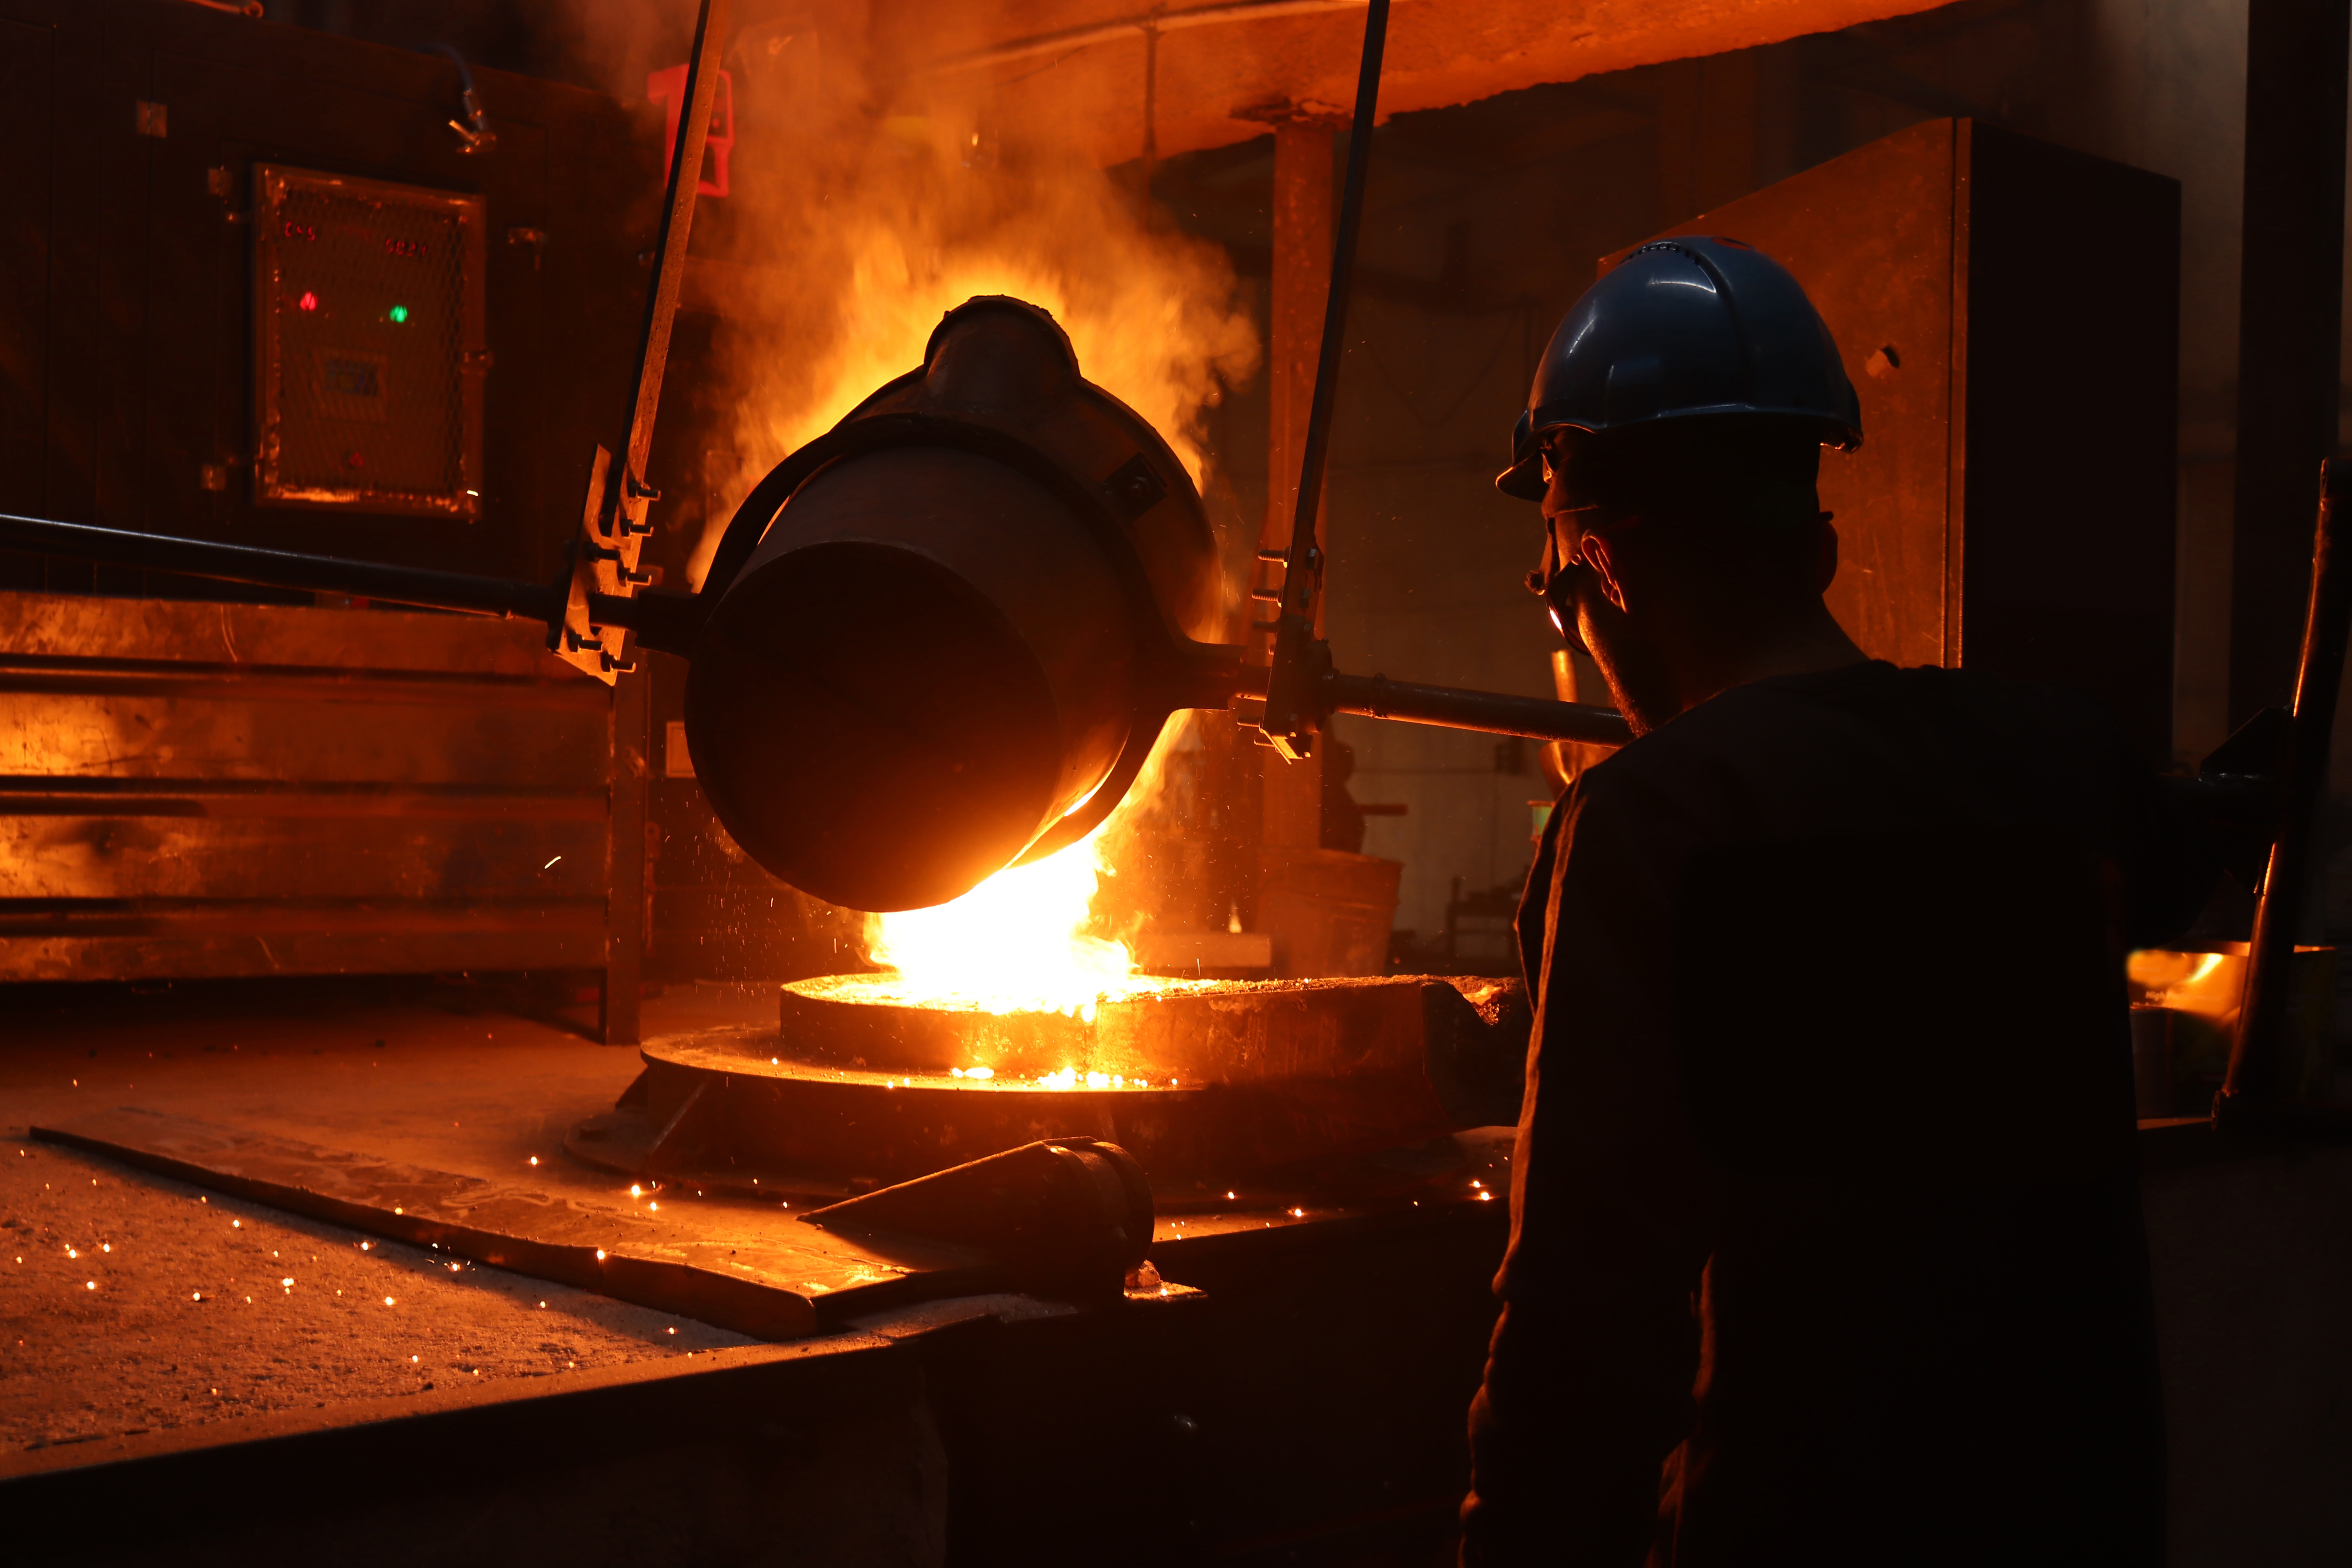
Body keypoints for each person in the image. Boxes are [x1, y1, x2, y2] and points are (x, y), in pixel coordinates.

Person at [1460, 237, 2215, 1567]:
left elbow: (1586, 1321)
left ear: (1604, 565)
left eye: (1557, 585)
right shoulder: (2057, 759)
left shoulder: (1654, 825)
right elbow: (2238, 831)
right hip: (2073, 1521)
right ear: (1812, 542)